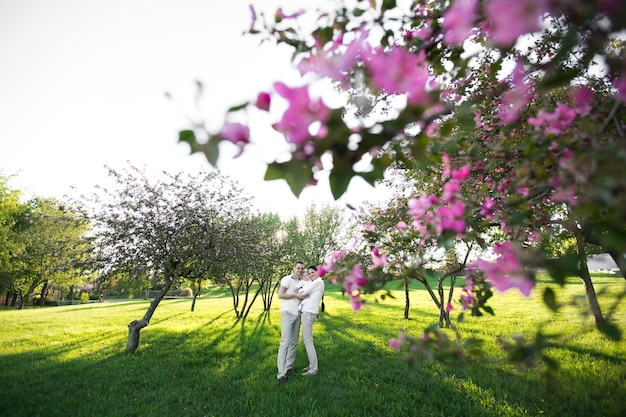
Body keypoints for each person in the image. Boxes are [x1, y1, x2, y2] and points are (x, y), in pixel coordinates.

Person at [276, 260, 306, 384]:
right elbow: (280, 295)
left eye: (302, 269)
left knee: (294, 342)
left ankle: (289, 368)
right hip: (288, 313)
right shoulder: (287, 279)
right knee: (285, 343)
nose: (300, 270)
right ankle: (281, 374)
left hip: (297, 314)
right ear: (294, 268)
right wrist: (295, 295)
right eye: (298, 268)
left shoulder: (302, 282)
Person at [298, 265, 325, 376]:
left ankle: (313, 369)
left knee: (308, 341)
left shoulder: (317, 282)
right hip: (308, 312)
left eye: (312, 272)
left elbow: (303, 292)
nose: (310, 275)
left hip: (309, 313)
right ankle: (311, 365)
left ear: (318, 272)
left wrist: (302, 291)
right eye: (308, 273)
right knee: (306, 340)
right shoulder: (316, 283)